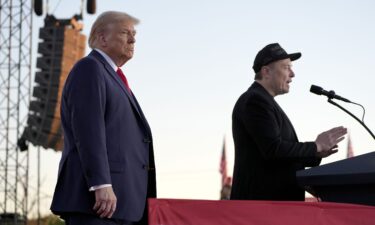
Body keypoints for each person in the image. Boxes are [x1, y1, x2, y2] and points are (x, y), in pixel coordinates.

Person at [50, 11, 156, 225]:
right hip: (99, 204)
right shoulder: (89, 68)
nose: (133, 39)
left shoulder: (112, 77)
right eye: (126, 32)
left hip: (123, 204)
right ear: (102, 37)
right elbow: (89, 130)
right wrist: (100, 183)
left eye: (134, 34)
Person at [230, 43, 347, 201]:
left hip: (272, 206)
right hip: (261, 207)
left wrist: (315, 153)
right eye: (286, 67)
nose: (292, 74)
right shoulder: (255, 101)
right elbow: (273, 149)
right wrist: (315, 146)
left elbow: (281, 154)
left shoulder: (264, 101)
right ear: (266, 71)